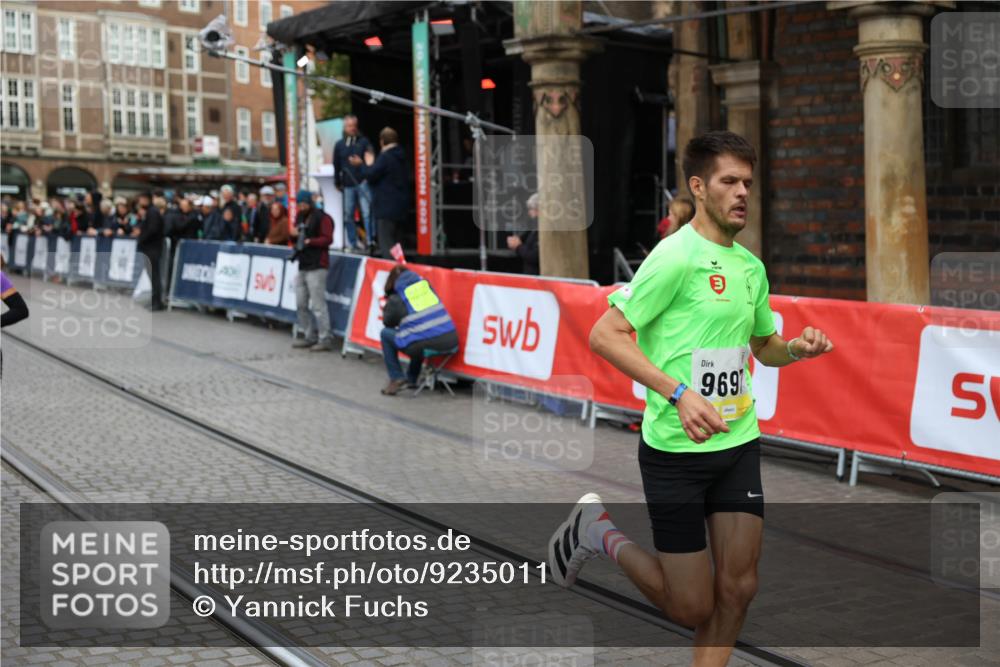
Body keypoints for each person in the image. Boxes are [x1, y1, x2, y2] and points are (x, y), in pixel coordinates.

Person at [547, 131, 834, 667]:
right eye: (729, 181)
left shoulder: (750, 268)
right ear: (699, 188)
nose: (742, 192)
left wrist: (795, 347)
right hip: (675, 454)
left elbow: (763, 348)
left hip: (737, 444)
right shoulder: (673, 257)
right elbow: (605, 335)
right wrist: (677, 393)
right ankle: (596, 531)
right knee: (691, 605)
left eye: (748, 182)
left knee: (739, 588)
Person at [379, 264, 458, 396]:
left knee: (386, 334)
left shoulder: (398, 297)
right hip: (451, 340)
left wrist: (390, 301)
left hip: (427, 343)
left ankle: (396, 377)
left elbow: (388, 322)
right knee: (416, 334)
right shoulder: (426, 289)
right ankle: (411, 379)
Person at [350, 126, 408, 259]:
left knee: (387, 243)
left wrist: (362, 165)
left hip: (386, 207)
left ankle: (393, 273)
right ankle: (402, 268)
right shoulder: (402, 155)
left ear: (382, 141)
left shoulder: (386, 157)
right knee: (398, 245)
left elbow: (371, 174)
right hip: (401, 208)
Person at [290, 190, 334, 351]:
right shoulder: (300, 217)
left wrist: (310, 241)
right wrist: (294, 235)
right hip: (303, 264)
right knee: (300, 303)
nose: (301, 207)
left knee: (318, 304)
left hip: (318, 265)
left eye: (304, 204)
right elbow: (295, 239)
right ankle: (308, 335)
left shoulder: (323, 217)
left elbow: (328, 239)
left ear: (310, 202)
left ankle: (325, 338)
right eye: (299, 204)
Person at [333, 114, 374, 252]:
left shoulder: (364, 142)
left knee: (367, 212)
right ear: (345, 127)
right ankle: (353, 242)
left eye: (354, 126)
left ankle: (370, 240)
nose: (352, 128)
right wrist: (337, 182)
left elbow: (370, 160)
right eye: (349, 126)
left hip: (362, 182)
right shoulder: (339, 145)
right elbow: (336, 164)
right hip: (348, 184)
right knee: (348, 214)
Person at [135, 193, 166, 311]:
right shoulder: (151, 212)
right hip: (151, 248)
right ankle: (155, 300)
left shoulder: (152, 212)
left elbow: (152, 229)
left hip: (152, 248)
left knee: (154, 276)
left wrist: (141, 238)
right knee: (152, 276)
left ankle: (157, 302)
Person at [506, 192, 540, 275]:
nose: (529, 213)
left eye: (531, 209)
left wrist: (518, 246)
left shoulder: (543, 231)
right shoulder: (534, 228)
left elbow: (534, 256)